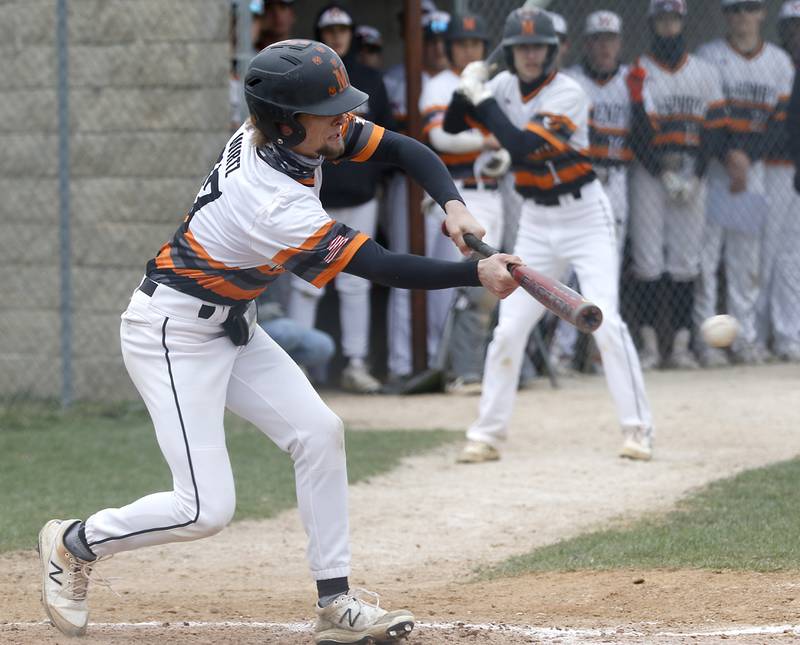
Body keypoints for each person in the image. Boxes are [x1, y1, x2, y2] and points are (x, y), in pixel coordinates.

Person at [37, 40, 520, 644]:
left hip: (232, 324)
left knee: (319, 434)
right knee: (203, 510)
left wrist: (454, 205)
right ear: (287, 122)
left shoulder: (293, 136)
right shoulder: (269, 200)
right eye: (330, 110)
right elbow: (380, 267)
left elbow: (400, 146)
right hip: (173, 333)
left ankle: (336, 604)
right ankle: (74, 542)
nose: (343, 119)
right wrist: (474, 271)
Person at [445, 9, 655, 463]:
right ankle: (487, 434)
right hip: (537, 222)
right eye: (522, 48)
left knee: (606, 321)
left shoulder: (569, 93)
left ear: (552, 50)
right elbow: (453, 125)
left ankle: (638, 430)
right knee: (510, 329)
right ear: (511, 52)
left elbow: (523, 146)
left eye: (538, 46)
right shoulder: (499, 86)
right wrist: (470, 81)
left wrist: (480, 97)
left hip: (586, 218)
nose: (530, 55)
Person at [288, 4, 393, 393]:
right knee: (305, 282)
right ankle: (297, 367)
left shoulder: (368, 79)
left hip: (361, 195)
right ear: (319, 35)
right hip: (314, 197)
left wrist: (374, 178)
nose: (336, 37)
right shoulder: (303, 81)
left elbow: (389, 137)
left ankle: (355, 361)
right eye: (329, 31)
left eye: (342, 30)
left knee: (356, 282)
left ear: (352, 34)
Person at [627, 0, 727, 371]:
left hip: (691, 168)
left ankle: (682, 346)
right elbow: (639, 133)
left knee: (686, 260)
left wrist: (696, 176)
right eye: (662, 20)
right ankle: (652, 347)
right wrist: (662, 173)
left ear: (682, 22)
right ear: (653, 23)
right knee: (648, 259)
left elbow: (715, 131)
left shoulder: (703, 71)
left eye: (674, 20)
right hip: (649, 173)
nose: (668, 27)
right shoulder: (639, 69)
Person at [693, 0, 794, 366]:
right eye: (734, 10)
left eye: (749, 8)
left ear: (762, 14)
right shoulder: (709, 55)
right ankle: (707, 342)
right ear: (725, 15)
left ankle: (746, 338)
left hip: (754, 172)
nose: (742, 16)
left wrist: (746, 158)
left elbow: (779, 122)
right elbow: (708, 117)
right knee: (707, 256)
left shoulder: (779, 62)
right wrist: (729, 156)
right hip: (717, 171)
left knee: (746, 258)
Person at [420, 12, 508, 390]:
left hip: (491, 191)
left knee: (486, 280)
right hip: (452, 194)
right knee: (445, 286)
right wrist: (486, 142)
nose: (469, 50)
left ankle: (466, 367)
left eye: (475, 44)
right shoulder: (439, 85)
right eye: (462, 44)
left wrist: (499, 153)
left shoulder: (494, 86)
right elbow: (441, 139)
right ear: (449, 47)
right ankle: (438, 367)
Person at [383, 6, 452, 383]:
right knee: (405, 268)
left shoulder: (457, 82)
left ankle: (439, 363)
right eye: (430, 39)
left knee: (446, 277)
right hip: (405, 184)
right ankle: (401, 364)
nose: (437, 48)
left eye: (443, 40)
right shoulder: (397, 79)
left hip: (452, 184)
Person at [756, 1, 800, 362]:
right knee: (766, 251)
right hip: (772, 168)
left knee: (790, 255)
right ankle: (760, 335)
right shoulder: (777, 65)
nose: (797, 34)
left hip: (795, 172)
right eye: (792, 27)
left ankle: (787, 336)